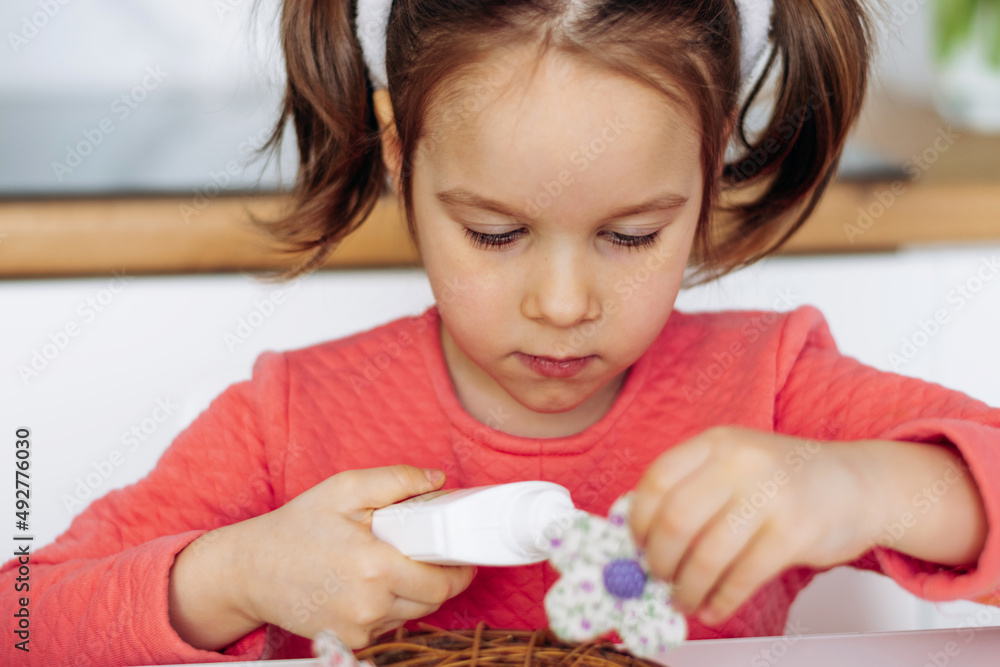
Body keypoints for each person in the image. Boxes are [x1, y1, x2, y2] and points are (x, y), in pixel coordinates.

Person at [4, 0, 1000, 664]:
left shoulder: (771, 386)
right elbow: (22, 617)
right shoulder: (290, 421)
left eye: (631, 235)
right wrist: (237, 575)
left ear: (706, 171)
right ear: (401, 157)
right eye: (495, 232)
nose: (562, 304)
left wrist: (863, 488)